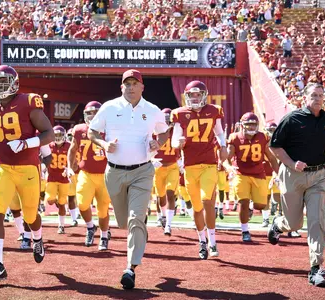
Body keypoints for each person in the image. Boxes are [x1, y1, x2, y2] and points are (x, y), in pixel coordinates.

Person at [88, 69, 168, 290]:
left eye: (135, 83)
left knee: (134, 219)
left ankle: (130, 269)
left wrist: (157, 143)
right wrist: (104, 144)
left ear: (142, 87)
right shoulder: (109, 107)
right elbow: (91, 132)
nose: (131, 87)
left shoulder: (152, 110)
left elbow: (164, 132)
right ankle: (140, 228)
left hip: (142, 171)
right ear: (121, 87)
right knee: (124, 222)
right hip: (114, 172)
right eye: (127, 83)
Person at [0, 65, 54, 282]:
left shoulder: (28, 101)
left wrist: (26, 143)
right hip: (1, 167)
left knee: (30, 216)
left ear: (15, 82)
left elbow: (48, 134)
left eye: (5, 81)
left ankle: (38, 238)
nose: (0, 86)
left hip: (28, 168)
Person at [268, 82, 325, 287]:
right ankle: (278, 224)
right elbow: (275, 146)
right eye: (313, 95)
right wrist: (291, 163)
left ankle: (316, 268)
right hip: (293, 175)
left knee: (316, 221)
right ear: (304, 98)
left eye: (320, 95)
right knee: (294, 224)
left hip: (318, 175)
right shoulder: (291, 119)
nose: (318, 98)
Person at [171, 80, 228, 259]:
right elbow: (174, 139)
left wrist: (223, 145)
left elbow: (219, 132)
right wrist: (177, 143)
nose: (195, 98)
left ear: (204, 95)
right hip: (190, 166)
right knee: (196, 208)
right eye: (191, 95)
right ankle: (202, 241)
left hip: (209, 163)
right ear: (186, 97)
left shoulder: (213, 111)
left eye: (197, 94)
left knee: (207, 202)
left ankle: (212, 241)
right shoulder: (179, 114)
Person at [225, 112, 279, 242]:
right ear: (242, 125)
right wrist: (229, 167)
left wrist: (277, 173)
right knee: (243, 202)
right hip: (241, 173)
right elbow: (226, 158)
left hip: (258, 173)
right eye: (248, 125)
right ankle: (245, 231)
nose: (251, 127)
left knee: (260, 205)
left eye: (253, 125)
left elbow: (271, 158)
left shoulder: (262, 137)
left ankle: (250, 207)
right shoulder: (234, 138)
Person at [68, 101, 112, 250]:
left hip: (105, 175)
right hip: (86, 173)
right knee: (82, 204)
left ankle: (104, 236)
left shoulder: (110, 130)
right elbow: (73, 149)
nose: (92, 116)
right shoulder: (79, 130)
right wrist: (69, 166)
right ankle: (90, 227)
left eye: (95, 113)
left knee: (103, 209)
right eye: (89, 113)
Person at [152, 108, 179, 236]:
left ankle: (168, 224)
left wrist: (182, 160)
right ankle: (162, 216)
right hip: (159, 168)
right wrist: (151, 159)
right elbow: (146, 146)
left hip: (173, 166)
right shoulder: (154, 131)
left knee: (170, 193)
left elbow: (185, 146)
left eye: (169, 119)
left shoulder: (177, 131)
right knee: (160, 196)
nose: (167, 121)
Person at [46, 125, 72, 234]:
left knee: (62, 203)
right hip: (51, 177)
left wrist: (69, 168)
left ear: (64, 135)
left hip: (64, 179)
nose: (57, 137)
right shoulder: (48, 146)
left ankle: (61, 225)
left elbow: (74, 159)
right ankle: (56, 199)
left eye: (60, 135)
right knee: (50, 200)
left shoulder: (69, 146)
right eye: (55, 135)